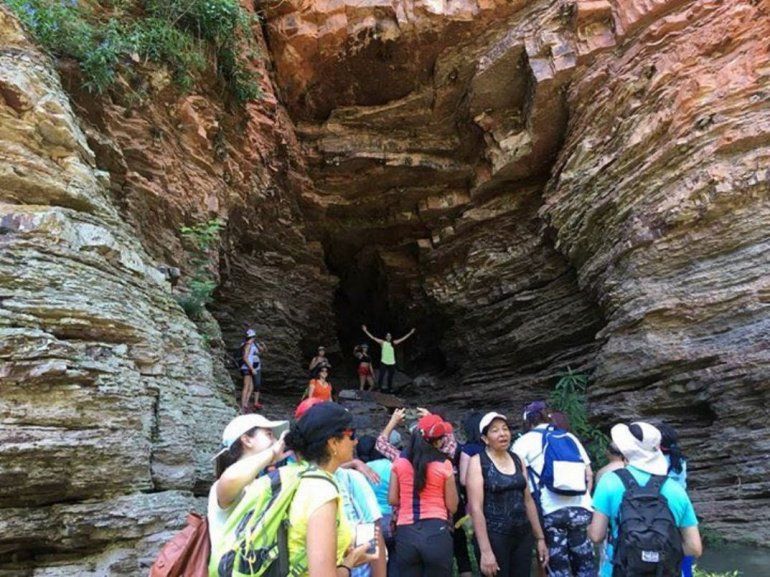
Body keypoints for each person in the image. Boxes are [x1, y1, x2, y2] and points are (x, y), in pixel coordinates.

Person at [588, 422, 703, 577]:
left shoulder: (609, 482)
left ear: (625, 450)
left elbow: (596, 535)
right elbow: (694, 547)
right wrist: (656, 555)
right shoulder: (676, 490)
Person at [284, 401, 378, 577]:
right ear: (333, 442)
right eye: (351, 434)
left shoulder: (297, 476)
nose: (356, 441)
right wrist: (349, 564)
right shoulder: (323, 492)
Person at [512, 401, 595, 577]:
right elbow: (588, 474)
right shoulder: (568, 437)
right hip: (580, 510)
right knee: (586, 567)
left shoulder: (522, 443)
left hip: (550, 512)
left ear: (527, 421)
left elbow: (521, 484)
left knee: (558, 570)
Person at [467, 412, 549, 577]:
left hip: (522, 535)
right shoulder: (478, 462)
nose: (502, 434)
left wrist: (540, 538)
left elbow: (528, 501)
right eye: (495, 430)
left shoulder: (518, 459)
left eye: (505, 429)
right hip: (494, 537)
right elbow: (476, 508)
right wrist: (486, 551)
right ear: (485, 438)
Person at [390, 413, 459, 577]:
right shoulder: (444, 465)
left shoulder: (399, 463)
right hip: (436, 531)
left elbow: (392, 499)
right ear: (438, 441)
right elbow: (452, 506)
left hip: (406, 533)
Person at [208, 414, 289, 546]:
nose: (275, 441)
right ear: (247, 440)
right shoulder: (225, 483)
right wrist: (272, 453)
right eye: (269, 435)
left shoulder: (258, 481)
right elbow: (231, 478)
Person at [658, 423, 693, 577]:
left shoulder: (656, 461)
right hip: (680, 505)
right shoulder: (680, 460)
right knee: (684, 544)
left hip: (660, 508)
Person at [361, 325, 415, 393]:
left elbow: (402, 339)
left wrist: (410, 333)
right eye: (387, 336)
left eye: (389, 336)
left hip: (392, 363)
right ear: (385, 337)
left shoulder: (394, 342)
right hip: (384, 362)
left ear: (391, 337)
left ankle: (389, 389)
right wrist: (366, 331)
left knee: (390, 377)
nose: (388, 337)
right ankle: (379, 388)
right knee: (381, 376)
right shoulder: (382, 342)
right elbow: (373, 338)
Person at [239, 329, 266, 411]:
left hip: (248, 367)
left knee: (251, 386)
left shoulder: (250, 344)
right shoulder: (248, 345)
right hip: (246, 368)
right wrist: (252, 368)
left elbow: (261, 351)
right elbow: (245, 358)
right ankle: (243, 405)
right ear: (252, 337)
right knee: (246, 386)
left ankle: (246, 404)